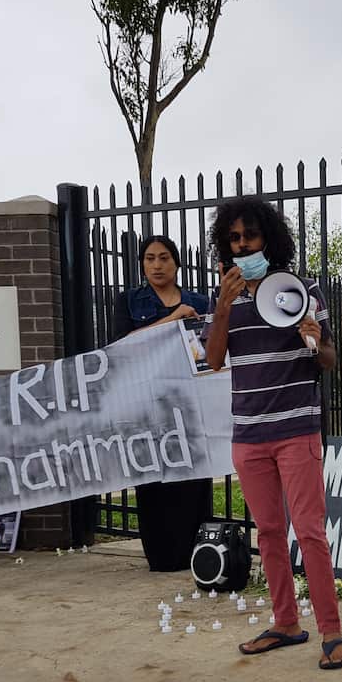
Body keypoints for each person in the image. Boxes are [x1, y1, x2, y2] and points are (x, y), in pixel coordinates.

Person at [203, 196, 342, 670]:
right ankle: (286, 621)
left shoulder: (301, 288)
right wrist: (224, 309)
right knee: (268, 531)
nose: (242, 244)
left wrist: (314, 339)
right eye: (234, 238)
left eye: (250, 235)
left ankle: (331, 629)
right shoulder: (223, 296)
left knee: (309, 531)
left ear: (269, 237)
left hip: (295, 430)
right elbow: (212, 360)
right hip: (248, 434)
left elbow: (328, 360)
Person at [110, 234, 213, 572]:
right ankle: (161, 555)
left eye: (164, 257)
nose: (157, 264)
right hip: (146, 404)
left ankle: (195, 553)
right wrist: (173, 319)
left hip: (189, 401)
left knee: (191, 477)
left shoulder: (199, 301)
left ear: (176, 263)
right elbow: (121, 347)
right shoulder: (129, 302)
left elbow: (211, 349)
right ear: (142, 264)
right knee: (153, 479)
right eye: (150, 258)